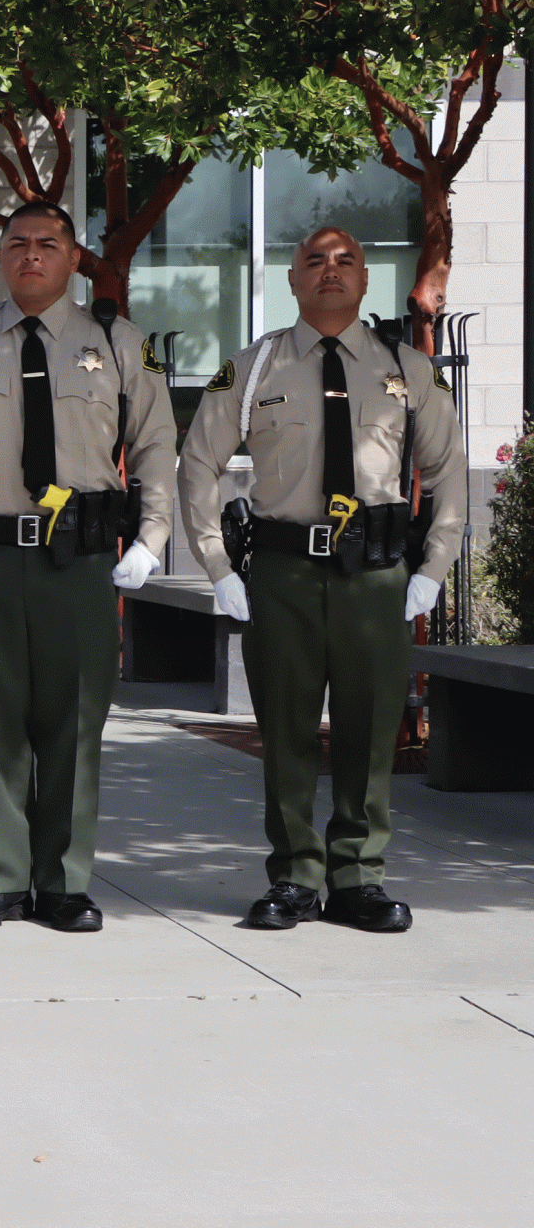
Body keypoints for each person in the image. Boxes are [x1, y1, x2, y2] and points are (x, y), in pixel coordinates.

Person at [0, 201, 174, 933]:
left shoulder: (118, 344)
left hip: (78, 564)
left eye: (47, 243)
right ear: (1, 256)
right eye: (17, 243)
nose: (30, 255)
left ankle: (65, 884)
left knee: (76, 724)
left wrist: (152, 535)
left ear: (73, 257)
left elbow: (154, 446)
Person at [177, 228, 460, 933]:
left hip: (375, 576)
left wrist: (432, 569)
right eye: (313, 262)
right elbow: (196, 465)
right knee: (287, 730)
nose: (330, 271)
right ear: (293, 283)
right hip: (282, 575)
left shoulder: (409, 369)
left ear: (368, 281)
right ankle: (295, 876)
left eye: (346, 262)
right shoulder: (252, 367)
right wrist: (218, 567)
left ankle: (359, 879)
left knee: (369, 733)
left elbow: (450, 473)